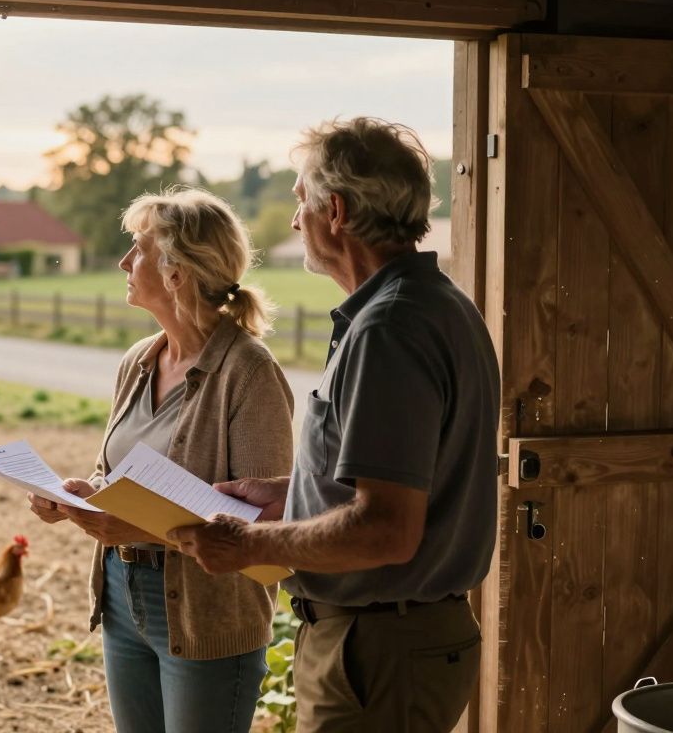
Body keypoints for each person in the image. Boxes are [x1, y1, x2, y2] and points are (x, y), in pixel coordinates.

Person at [170, 117, 500, 732]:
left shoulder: (389, 330)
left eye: (300, 201)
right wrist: (287, 493)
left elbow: (386, 530)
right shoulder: (433, 305)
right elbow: (397, 479)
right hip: (389, 642)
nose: (295, 221)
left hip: (377, 651)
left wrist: (246, 546)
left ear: (337, 211)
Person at [28, 187, 295, 733]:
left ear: (176, 272)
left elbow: (266, 529)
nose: (124, 261)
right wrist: (82, 494)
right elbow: (124, 476)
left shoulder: (249, 373)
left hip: (207, 613)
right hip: (121, 596)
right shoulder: (138, 360)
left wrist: (138, 525)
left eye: (139, 249)